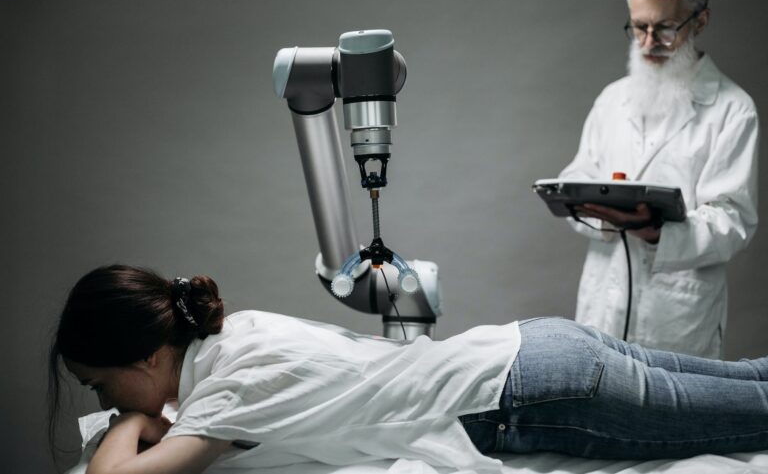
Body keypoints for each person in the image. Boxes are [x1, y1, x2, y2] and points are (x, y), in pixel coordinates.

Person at [49, 265, 768, 474]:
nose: (105, 400)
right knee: (753, 382)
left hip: (527, 395)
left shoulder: (225, 390)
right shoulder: (238, 335)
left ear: (145, 355)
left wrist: (139, 416)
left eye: (100, 382)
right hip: (540, 349)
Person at [559, 0, 759, 359]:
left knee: (668, 417)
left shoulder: (733, 110)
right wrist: (592, 205)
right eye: (639, 26)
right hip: (603, 303)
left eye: (665, 28)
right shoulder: (613, 99)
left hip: (678, 316)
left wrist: (656, 231)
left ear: (699, 21)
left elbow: (733, 220)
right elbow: (579, 174)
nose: (648, 42)